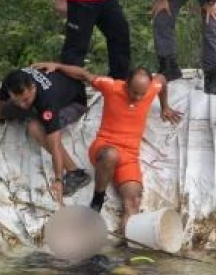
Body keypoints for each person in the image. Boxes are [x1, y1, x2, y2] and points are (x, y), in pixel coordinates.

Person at [35, 62, 182, 236]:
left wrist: (164, 106)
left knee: (134, 200)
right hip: (105, 146)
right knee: (111, 155)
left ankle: (128, 251)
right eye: (134, 92)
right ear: (126, 83)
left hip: (130, 156)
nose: (138, 97)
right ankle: (97, 200)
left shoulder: (152, 87)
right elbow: (83, 75)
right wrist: (57, 66)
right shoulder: (112, 87)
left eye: (142, 94)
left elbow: (163, 81)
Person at [0, 66, 93, 203]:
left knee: (34, 127)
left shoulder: (47, 100)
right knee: (4, 110)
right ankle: (19, 108)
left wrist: (58, 179)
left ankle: (75, 172)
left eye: (26, 99)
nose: (22, 104)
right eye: (17, 100)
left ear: (33, 88)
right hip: (45, 97)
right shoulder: (11, 81)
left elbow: (55, 143)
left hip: (74, 103)